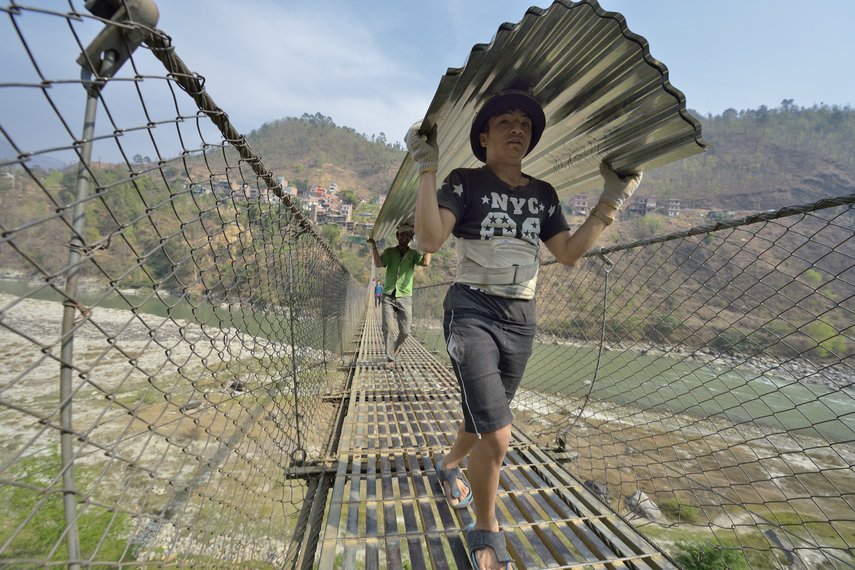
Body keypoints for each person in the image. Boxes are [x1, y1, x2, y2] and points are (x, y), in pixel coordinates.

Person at [405, 89, 642, 570]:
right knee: (497, 434)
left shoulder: (544, 194)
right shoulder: (464, 182)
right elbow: (429, 238)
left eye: (525, 126)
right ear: (484, 135)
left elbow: (569, 255)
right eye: (506, 122)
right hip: (470, 311)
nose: (518, 129)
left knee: (483, 417)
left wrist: (610, 199)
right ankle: (486, 528)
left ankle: (448, 464)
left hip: (520, 319)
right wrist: (426, 166)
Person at [367, 223, 431, 369]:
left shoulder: (413, 254)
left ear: (410, 238)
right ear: (397, 236)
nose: (404, 237)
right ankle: (390, 359)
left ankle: (395, 347)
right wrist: (374, 246)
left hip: (405, 296)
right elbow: (378, 264)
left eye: (407, 235)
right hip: (389, 295)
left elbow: (426, 262)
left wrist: (429, 245)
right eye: (402, 234)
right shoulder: (389, 252)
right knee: (388, 328)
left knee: (405, 331)